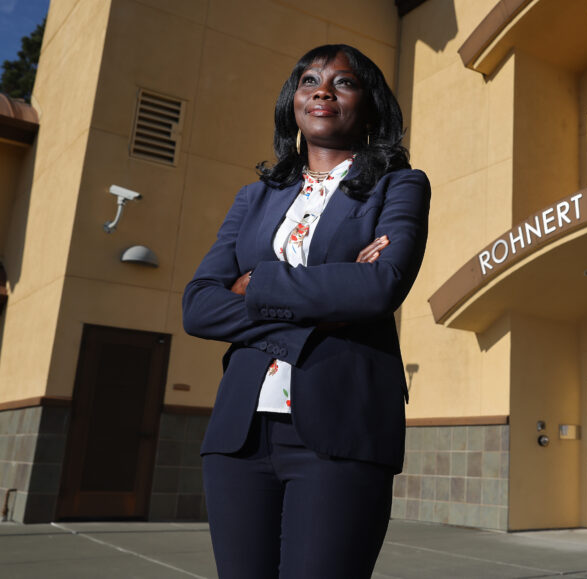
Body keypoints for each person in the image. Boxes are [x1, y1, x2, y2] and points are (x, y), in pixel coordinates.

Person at [182, 44, 430, 578]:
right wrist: (329, 297)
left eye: (344, 82)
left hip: (342, 428)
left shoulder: (399, 185)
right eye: (309, 81)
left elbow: (379, 286)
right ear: (292, 101)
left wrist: (255, 284)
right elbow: (199, 306)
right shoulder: (253, 198)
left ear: (369, 104)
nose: (323, 91)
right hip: (240, 434)